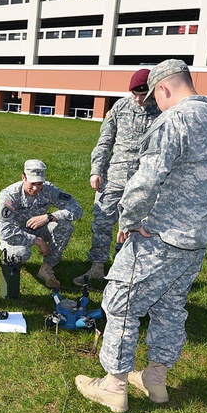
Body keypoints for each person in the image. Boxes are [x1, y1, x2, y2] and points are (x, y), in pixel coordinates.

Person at [75, 59, 207, 413]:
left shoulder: (174, 120)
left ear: (164, 88)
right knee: (170, 307)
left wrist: (129, 219)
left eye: (157, 98)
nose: (157, 105)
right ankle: (155, 379)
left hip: (158, 236)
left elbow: (145, 179)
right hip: (197, 239)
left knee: (121, 304)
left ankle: (114, 385)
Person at [74, 69, 161, 285]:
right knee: (102, 223)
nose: (139, 99)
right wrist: (96, 170)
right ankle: (96, 268)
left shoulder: (162, 112)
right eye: (135, 93)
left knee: (133, 227)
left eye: (144, 94)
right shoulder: (120, 107)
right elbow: (105, 141)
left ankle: (122, 270)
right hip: (113, 177)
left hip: (143, 181)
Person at [0, 159, 84, 289]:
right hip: (16, 231)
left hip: (39, 228)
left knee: (65, 225)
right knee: (20, 254)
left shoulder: (48, 189)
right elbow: (4, 230)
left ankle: (47, 268)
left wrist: (50, 217)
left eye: (40, 184)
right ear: (23, 177)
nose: (36, 188)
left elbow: (77, 209)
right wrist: (37, 241)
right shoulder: (10, 195)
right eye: (32, 183)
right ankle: (10, 268)